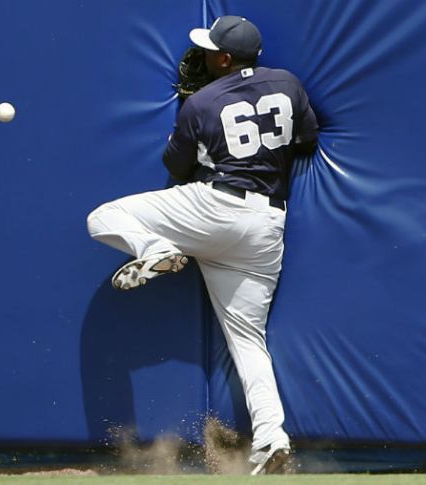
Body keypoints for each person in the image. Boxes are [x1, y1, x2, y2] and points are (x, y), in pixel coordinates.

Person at [86, 15, 318, 475]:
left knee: (104, 217)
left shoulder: (203, 102)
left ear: (225, 58)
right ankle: (272, 439)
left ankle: (154, 248)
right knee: (248, 342)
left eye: (211, 50)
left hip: (215, 207)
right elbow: (307, 140)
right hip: (267, 224)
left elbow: (176, 167)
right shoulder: (288, 83)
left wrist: (194, 114)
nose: (204, 55)